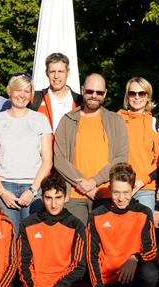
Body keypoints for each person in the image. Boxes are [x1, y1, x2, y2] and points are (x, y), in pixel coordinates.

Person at [9, 174, 96, 287]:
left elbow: (79, 266)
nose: (54, 203)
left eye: (58, 197)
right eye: (49, 198)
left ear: (66, 198)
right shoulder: (28, 224)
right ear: (42, 198)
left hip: (63, 286)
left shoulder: (75, 225)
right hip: (37, 286)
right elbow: (23, 264)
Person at [88, 163, 158, 287]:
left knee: (150, 271)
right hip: (109, 280)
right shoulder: (96, 214)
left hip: (133, 277)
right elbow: (91, 256)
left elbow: (151, 250)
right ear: (110, 189)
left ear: (133, 189)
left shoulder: (143, 213)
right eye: (116, 192)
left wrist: (135, 258)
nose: (121, 198)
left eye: (126, 192)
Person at [53, 73, 129, 224]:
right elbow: (59, 160)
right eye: (90, 91)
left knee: (103, 244)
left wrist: (95, 180)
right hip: (74, 196)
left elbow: (121, 158)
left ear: (105, 93)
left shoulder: (116, 120)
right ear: (82, 90)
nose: (94, 96)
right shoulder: (67, 121)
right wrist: (86, 187)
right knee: (77, 244)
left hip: (107, 193)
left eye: (99, 92)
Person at [0, 73, 52, 229]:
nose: (22, 95)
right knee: (7, 237)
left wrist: (33, 190)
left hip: (33, 186)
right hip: (5, 186)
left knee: (32, 236)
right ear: (10, 92)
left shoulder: (40, 119)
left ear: (31, 95)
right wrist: (1, 192)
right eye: (18, 90)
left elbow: (47, 160)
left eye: (26, 91)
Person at [117, 77, 159, 212]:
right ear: (127, 96)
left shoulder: (156, 124)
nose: (137, 97)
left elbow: (158, 160)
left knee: (144, 230)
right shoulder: (116, 119)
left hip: (145, 188)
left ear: (148, 97)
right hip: (120, 187)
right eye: (132, 93)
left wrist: (141, 181)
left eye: (141, 93)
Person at [29, 53, 83, 131]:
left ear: (68, 72)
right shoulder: (35, 98)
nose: (56, 76)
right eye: (52, 71)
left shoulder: (80, 101)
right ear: (46, 73)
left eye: (60, 71)